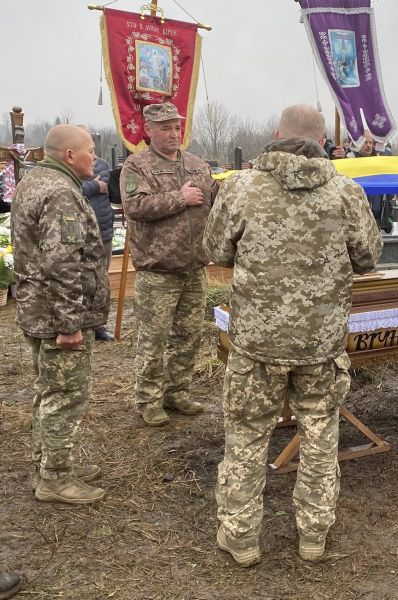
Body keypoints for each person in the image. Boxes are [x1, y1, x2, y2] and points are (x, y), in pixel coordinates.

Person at [204, 104, 383, 567]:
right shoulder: (346, 192)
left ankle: (241, 537)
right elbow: (367, 257)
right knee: (321, 436)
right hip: (319, 346)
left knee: (246, 436)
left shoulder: (240, 187)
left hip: (256, 345)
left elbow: (215, 249)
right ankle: (313, 535)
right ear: (322, 139)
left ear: (277, 133)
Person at [11, 124, 110, 504]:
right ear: (69, 155)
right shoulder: (60, 193)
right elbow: (63, 263)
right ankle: (54, 478)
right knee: (64, 395)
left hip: (39, 309)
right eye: (89, 150)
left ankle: (51, 462)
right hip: (58, 317)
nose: (95, 157)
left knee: (48, 390)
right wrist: (70, 325)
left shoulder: (37, 181)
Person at [120, 102, 216, 427]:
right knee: (153, 338)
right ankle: (148, 399)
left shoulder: (197, 163)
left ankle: (177, 392)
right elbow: (135, 206)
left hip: (194, 267)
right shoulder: (137, 165)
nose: (174, 133)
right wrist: (180, 198)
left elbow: (214, 196)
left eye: (177, 127)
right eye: (165, 128)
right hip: (158, 271)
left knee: (189, 336)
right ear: (149, 130)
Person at [80, 151, 115, 341]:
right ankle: (80, 323)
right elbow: (73, 188)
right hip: (81, 234)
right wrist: (94, 185)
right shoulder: (65, 171)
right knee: (81, 280)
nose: (92, 155)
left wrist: (88, 185)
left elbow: (106, 181)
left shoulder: (101, 164)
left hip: (103, 231)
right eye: (88, 150)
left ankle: (99, 325)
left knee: (101, 280)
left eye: (92, 150)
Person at [347, 129, 393, 233]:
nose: (368, 145)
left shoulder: (379, 165)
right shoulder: (350, 163)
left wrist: (389, 218)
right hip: (356, 222)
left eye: (370, 142)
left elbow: (387, 194)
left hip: (375, 222)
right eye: (365, 142)